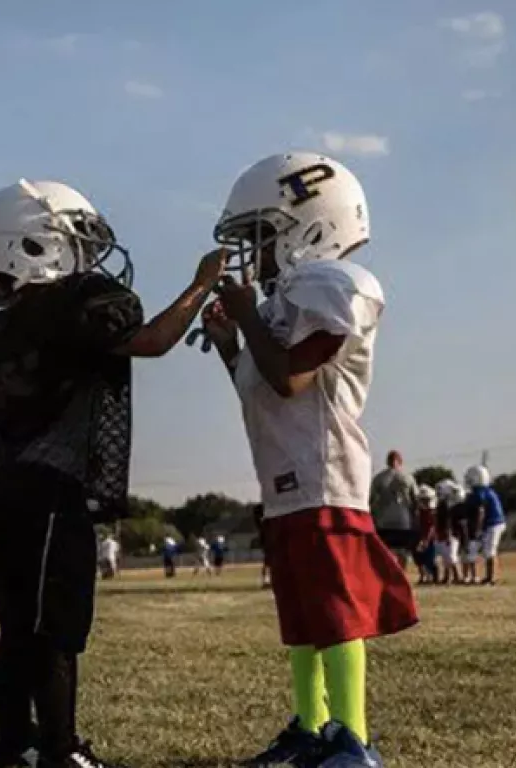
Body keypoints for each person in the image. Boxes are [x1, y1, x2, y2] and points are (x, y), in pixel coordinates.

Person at [0, 178, 224, 768]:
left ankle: (13, 746)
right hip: (52, 490)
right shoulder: (76, 308)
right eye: (75, 239)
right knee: (56, 634)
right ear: (34, 245)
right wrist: (200, 286)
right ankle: (59, 750)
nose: (89, 255)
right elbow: (149, 342)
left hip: (2, 487)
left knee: (17, 629)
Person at [199, 151, 418, 767]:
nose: (253, 253)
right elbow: (264, 383)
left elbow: (292, 377)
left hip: (325, 475)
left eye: (261, 236)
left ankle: (354, 738)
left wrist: (244, 316)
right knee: (299, 616)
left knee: (333, 612)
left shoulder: (335, 285)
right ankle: (311, 725)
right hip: (286, 479)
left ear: (309, 224)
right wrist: (229, 342)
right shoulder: (279, 305)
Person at [370, 450, 417, 570]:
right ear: (400, 461)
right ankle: (402, 575)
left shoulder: (378, 478)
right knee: (403, 552)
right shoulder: (408, 478)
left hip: (383, 521)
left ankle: (389, 575)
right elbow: (415, 500)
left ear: (387, 461)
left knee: (386, 550)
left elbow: (371, 500)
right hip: (404, 521)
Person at [464, 466, 506, 586]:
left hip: (493, 523)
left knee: (489, 551)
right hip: (494, 523)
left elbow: (480, 512)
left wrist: (478, 528)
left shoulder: (479, 492)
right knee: (488, 551)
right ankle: (489, 577)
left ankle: (491, 578)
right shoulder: (487, 490)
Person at [412, 485, 440, 585]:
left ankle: (434, 578)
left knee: (430, 559)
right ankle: (424, 577)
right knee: (419, 559)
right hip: (419, 537)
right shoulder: (418, 512)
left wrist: (426, 540)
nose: (425, 502)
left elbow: (431, 527)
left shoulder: (431, 512)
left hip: (429, 539)